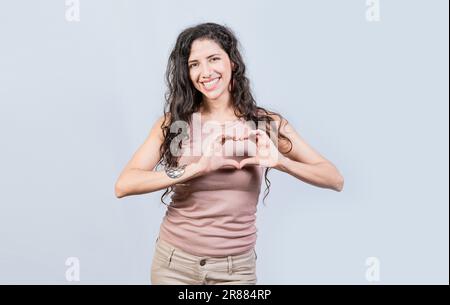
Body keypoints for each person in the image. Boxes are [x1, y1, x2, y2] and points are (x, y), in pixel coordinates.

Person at [115, 22, 344, 285]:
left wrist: (281, 162)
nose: (205, 72)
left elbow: (334, 179)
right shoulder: (177, 125)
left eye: (214, 59)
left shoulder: (263, 124)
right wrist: (195, 168)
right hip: (173, 266)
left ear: (232, 62)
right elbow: (124, 184)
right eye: (194, 64)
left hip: (235, 272)